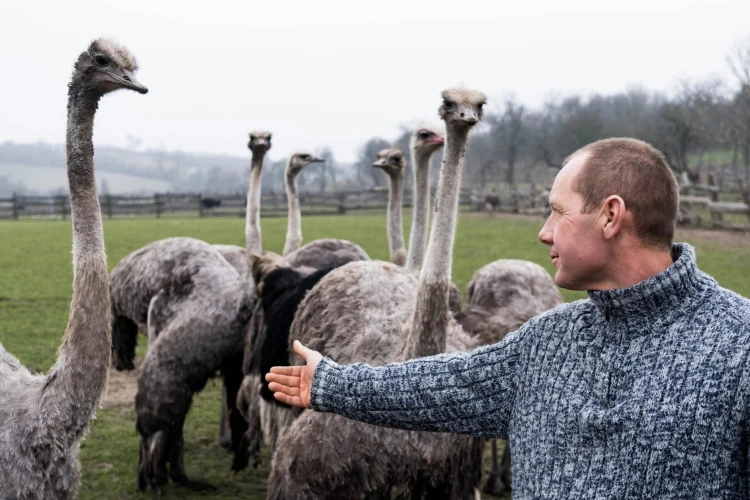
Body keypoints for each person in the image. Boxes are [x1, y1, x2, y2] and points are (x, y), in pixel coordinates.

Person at [266, 138, 750, 498]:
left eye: (557, 213)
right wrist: (333, 385)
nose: (543, 232)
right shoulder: (545, 343)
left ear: (610, 216)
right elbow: (440, 385)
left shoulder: (738, 347)